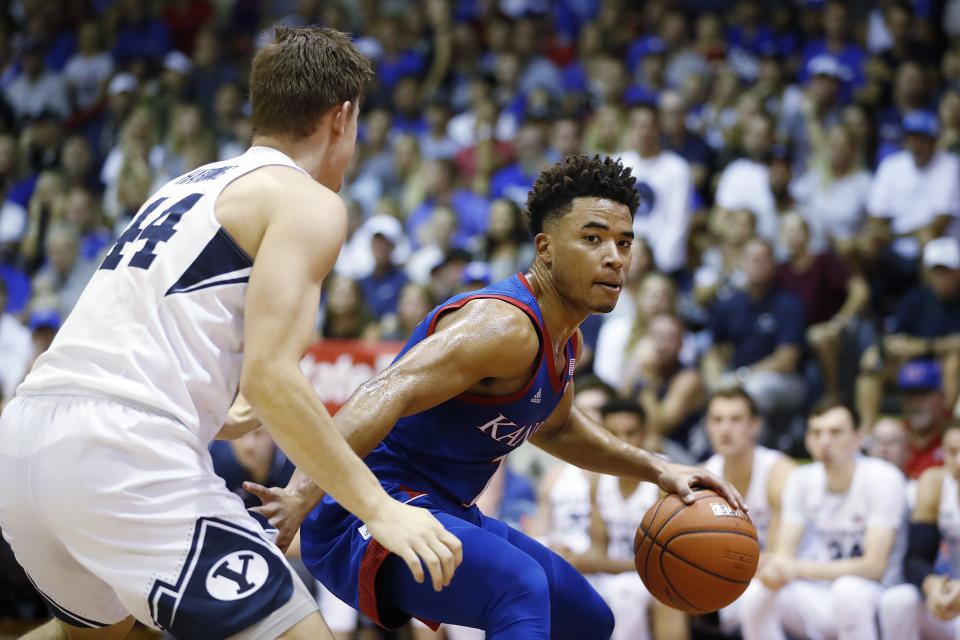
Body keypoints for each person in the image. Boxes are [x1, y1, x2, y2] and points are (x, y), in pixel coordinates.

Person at [0, 27, 461, 640]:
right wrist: (380, 510)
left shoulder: (186, 185)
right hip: (120, 452)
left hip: (26, 441)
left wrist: (212, 406)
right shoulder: (308, 201)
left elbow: (135, 342)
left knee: (95, 635)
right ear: (343, 117)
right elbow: (271, 378)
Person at [247, 154, 744, 639]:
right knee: (520, 589)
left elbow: (558, 426)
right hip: (364, 509)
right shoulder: (505, 326)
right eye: (593, 238)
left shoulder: (565, 336)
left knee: (588, 618)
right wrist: (300, 494)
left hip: (448, 507)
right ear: (545, 248)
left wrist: (658, 468)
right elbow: (383, 390)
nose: (614, 256)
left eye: (624, 242)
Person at [738, 401, 908, 640]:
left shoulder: (883, 478)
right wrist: (773, 569)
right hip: (819, 592)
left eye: (835, 433)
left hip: (877, 595)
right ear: (807, 440)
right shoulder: (800, 479)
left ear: (859, 439)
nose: (824, 442)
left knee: (848, 590)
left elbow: (874, 567)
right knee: (756, 593)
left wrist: (797, 568)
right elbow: (785, 557)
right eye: (817, 433)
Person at [701, 387, 796, 636]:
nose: (725, 429)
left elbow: (776, 557)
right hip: (734, 578)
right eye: (717, 420)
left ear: (755, 425)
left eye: (735, 419)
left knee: (755, 595)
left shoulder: (779, 472)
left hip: (787, 578)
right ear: (707, 426)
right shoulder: (701, 477)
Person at [879, 421, 960, 640]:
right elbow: (915, 558)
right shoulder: (935, 484)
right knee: (897, 601)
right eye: (953, 452)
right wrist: (932, 585)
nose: (959, 462)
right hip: (950, 594)